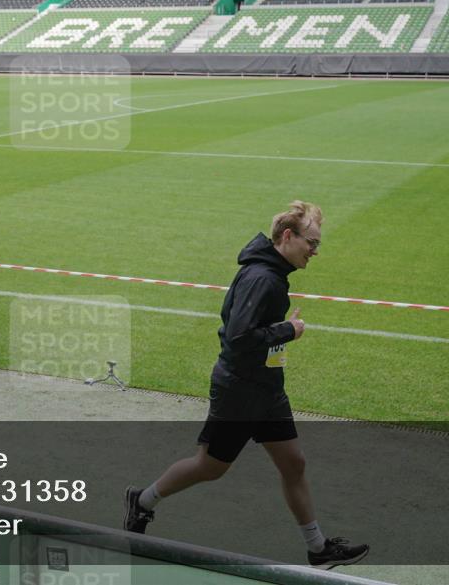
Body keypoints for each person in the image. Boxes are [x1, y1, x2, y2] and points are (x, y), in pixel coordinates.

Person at [123, 201, 368, 569]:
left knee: (294, 464)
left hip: (267, 388)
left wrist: (279, 332)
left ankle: (318, 549)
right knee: (210, 466)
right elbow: (239, 337)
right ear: (288, 236)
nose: (315, 251)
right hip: (239, 391)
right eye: (312, 243)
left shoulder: (274, 272)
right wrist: (288, 330)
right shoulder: (262, 278)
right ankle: (142, 501)